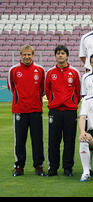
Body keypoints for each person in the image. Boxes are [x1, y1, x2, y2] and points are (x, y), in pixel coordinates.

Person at [8, 44, 46, 176]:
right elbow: (11, 88)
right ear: (20, 55)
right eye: (24, 54)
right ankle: (19, 166)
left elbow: (42, 90)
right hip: (20, 110)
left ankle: (39, 166)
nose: (26, 57)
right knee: (20, 140)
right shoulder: (13, 70)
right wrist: (20, 100)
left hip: (35, 110)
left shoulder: (40, 70)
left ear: (33, 55)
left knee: (37, 140)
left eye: (29, 54)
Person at [45, 45, 81, 177]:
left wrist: (70, 103)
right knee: (53, 141)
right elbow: (48, 91)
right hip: (55, 111)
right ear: (55, 56)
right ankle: (53, 168)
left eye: (63, 53)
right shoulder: (50, 73)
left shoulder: (74, 72)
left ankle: (68, 168)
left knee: (69, 140)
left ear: (67, 55)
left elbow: (78, 92)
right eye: (58, 53)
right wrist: (54, 101)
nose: (60, 55)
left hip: (70, 112)